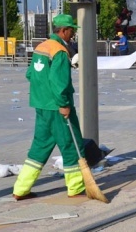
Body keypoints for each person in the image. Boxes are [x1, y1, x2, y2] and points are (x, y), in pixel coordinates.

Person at [12, 14, 85, 200]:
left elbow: (30, 75)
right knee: (71, 146)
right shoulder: (59, 51)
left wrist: (42, 92)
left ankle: (21, 189)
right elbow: (59, 82)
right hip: (57, 108)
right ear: (63, 30)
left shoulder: (41, 47)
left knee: (39, 147)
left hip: (41, 105)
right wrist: (64, 104)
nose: (73, 34)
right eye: (72, 30)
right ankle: (76, 188)